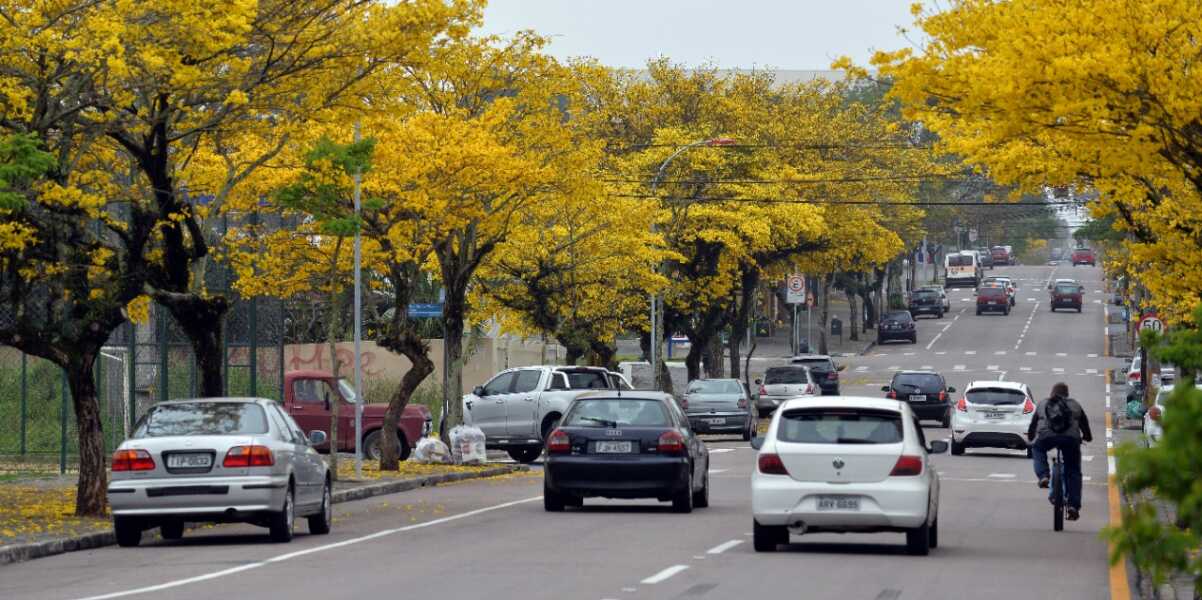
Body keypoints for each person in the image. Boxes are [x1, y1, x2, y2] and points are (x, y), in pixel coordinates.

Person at [1027, 382, 1093, 521]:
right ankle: (1073, 506)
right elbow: (1085, 426)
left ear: (1052, 393)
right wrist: (1086, 437)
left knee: (1037, 449)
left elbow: (1033, 426)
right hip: (1071, 440)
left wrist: (1031, 437)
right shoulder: (1075, 405)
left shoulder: (1043, 404)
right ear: (1067, 394)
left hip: (1046, 437)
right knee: (1074, 471)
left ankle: (1044, 475)